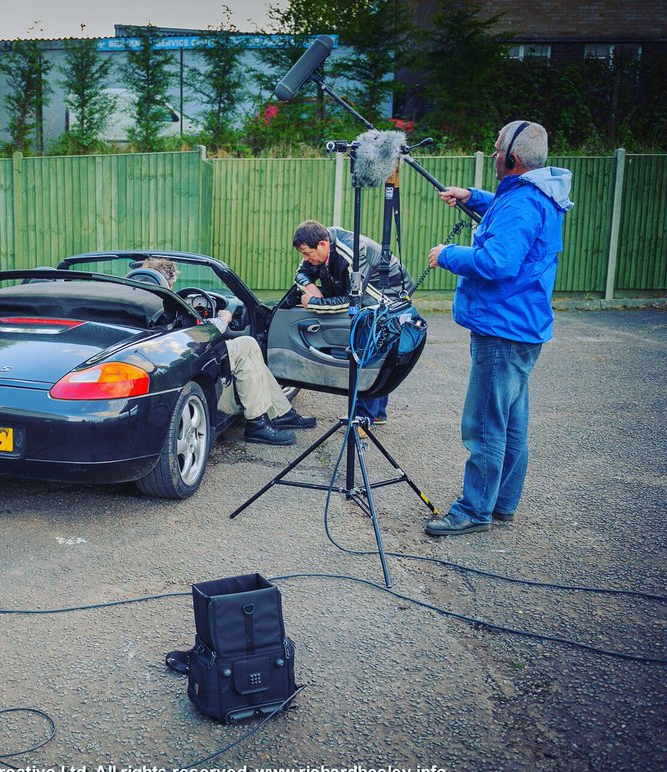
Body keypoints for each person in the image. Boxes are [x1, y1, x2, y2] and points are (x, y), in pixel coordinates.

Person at [424, 120, 572, 536]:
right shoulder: (533, 193)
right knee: (510, 421)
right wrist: (473, 197)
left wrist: (448, 253)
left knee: (485, 424)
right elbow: (508, 213)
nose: (492, 155)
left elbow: (498, 263)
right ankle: (502, 502)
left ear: (513, 159)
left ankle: (474, 509)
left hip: (502, 331)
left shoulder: (524, 203)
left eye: (496, 149)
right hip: (520, 328)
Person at [141, 257, 315, 445]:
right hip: (183, 355)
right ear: (169, 281)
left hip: (158, 356)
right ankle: (258, 424)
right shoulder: (165, 301)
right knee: (247, 345)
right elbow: (198, 333)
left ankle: (282, 413)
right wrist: (223, 318)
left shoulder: (134, 299)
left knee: (249, 354)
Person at [291, 220, 415, 430]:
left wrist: (314, 303)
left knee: (368, 347)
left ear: (322, 245)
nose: (305, 259)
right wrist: (310, 285)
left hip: (388, 294)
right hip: (366, 292)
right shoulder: (318, 247)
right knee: (376, 347)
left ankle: (361, 419)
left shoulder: (354, 254)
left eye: (307, 254)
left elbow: (353, 301)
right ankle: (376, 414)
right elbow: (300, 273)